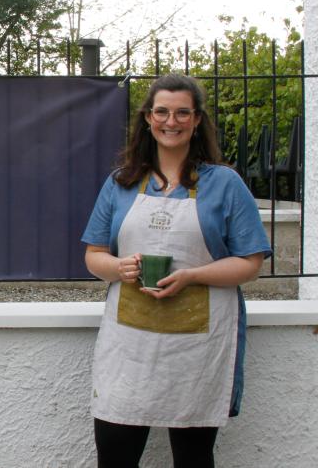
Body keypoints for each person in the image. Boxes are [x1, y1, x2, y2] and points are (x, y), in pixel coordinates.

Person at [81, 74, 271, 467]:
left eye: (183, 112)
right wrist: (120, 267)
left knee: (194, 459)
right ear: (148, 119)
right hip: (130, 346)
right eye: (162, 112)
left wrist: (191, 275)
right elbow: (94, 255)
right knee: (115, 456)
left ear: (197, 120)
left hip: (197, 347)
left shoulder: (226, 184)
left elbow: (250, 262)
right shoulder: (121, 183)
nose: (172, 121)